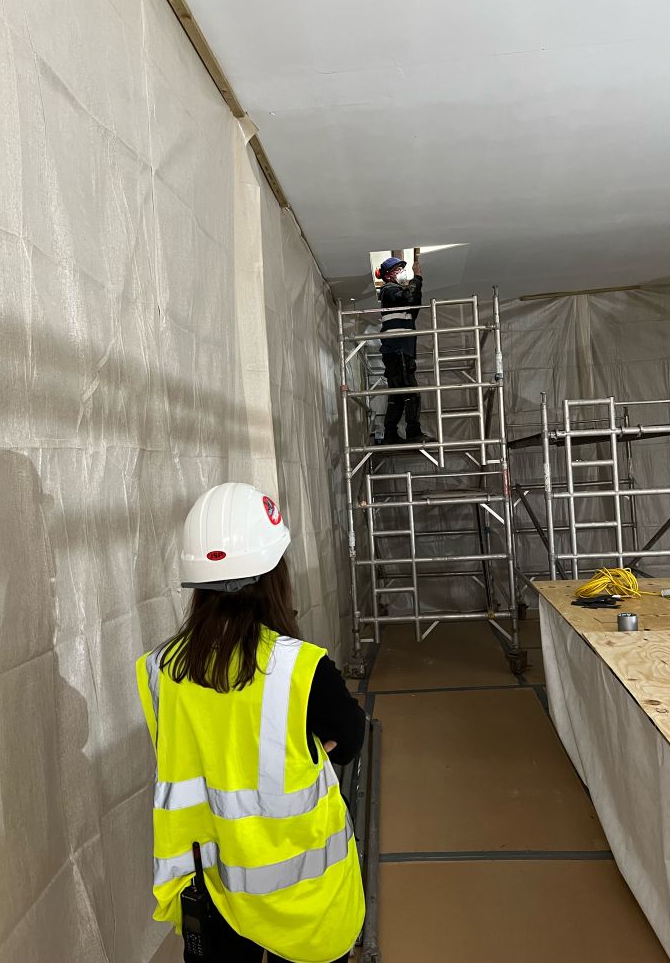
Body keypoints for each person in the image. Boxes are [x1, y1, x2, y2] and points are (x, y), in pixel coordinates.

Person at [136, 482, 366, 963]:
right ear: (274, 575)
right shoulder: (301, 669)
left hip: (210, 886)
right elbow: (348, 742)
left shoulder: (160, 669)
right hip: (301, 900)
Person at [377, 255, 428, 444]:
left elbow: (414, 305)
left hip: (397, 350)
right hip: (398, 349)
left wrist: (417, 283)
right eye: (398, 270)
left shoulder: (395, 295)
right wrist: (417, 278)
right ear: (389, 275)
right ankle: (413, 432)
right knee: (411, 393)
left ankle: (390, 434)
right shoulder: (389, 291)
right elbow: (409, 297)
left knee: (398, 394)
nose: (402, 273)